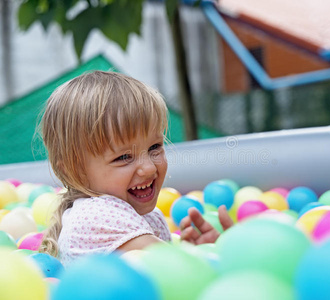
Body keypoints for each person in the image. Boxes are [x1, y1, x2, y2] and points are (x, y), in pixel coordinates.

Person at [39, 71, 232, 266]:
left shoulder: (146, 214)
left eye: (155, 147)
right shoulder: (96, 217)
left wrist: (192, 250)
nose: (148, 168)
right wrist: (228, 251)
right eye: (124, 157)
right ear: (73, 170)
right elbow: (182, 269)